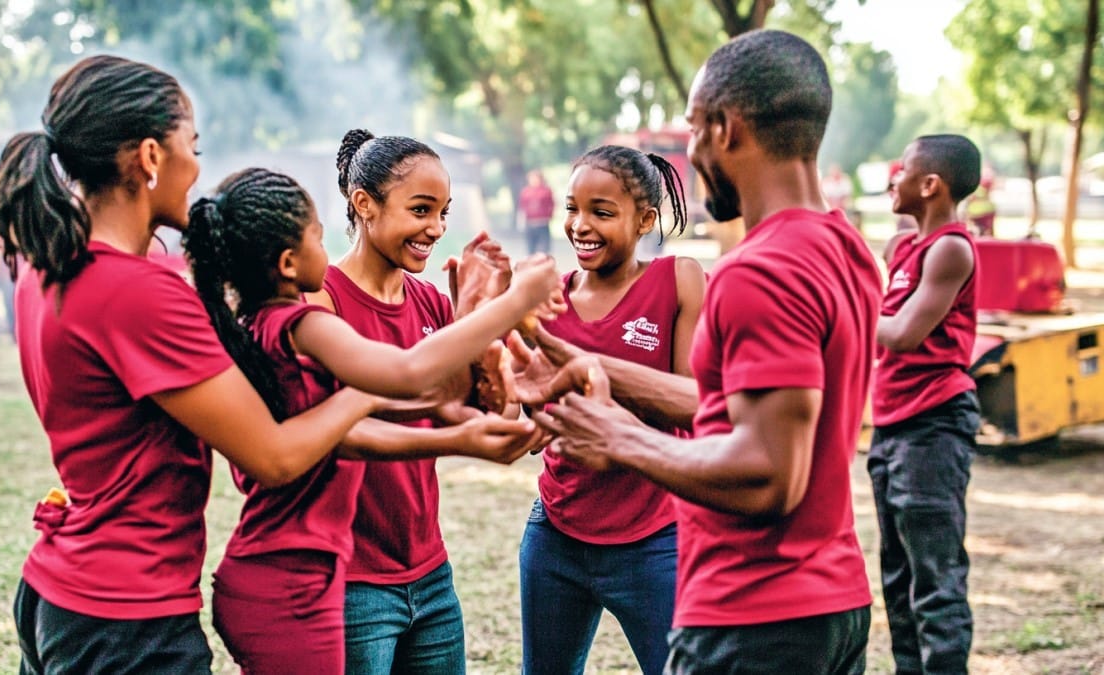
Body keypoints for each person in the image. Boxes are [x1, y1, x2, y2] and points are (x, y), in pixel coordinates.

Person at [0, 55, 419, 673]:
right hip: (127, 621)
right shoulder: (135, 291)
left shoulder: (50, 263)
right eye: (192, 145)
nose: (198, 167)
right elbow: (272, 457)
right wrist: (365, 389)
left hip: (62, 593)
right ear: (150, 158)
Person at [512, 30, 883, 673]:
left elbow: (768, 474)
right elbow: (741, 411)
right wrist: (584, 368)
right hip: (833, 603)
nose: (690, 151)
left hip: (753, 613)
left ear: (723, 127)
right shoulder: (845, 249)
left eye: (692, 129)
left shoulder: (757, 270)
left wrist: (619, 438)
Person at [181, 167, 556, 673]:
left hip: (293, 576)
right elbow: (403, 373)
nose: (325, 241)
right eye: (316, 233)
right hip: (294, 588)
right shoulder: (305, 322)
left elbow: (354, 422)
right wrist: (517, 300)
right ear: (290, 262)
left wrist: (460, 428)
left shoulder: (261, 326)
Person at [302, 128, 555, 674]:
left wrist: (484, 337)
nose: (436, 229)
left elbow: (495, 411)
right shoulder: (322, 298)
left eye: (443, 212)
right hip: (353, 579)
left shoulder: (430, 303)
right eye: (421, 210)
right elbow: (332, 429)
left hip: (429, 571)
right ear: (363, 204)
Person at [517, 145, 704, 675]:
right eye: (571, 208)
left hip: (654, 539)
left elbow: (695, 407)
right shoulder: (547, 299)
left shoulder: (679, 280)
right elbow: (531, 416)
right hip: (556, 534)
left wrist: (593, 378)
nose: (580, 225)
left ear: (645, 220)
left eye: (602, 212)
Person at [872, 134, 982, 675]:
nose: (894, 178)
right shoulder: (901, 247)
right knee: (896, 574)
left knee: (934, 578)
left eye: (902, 171)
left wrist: (851, 306)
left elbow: (900, 334)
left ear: (930, 185)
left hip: (934, 424)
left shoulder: (952, 249)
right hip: (891, 425)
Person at [518, 169, 556, 255]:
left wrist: (549, 215)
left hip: (542, 223)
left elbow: (551, 204)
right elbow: (522, 207)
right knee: (531, 249)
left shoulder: (546, 191)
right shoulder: (525, 192)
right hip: (530, 223)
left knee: (543, 250)